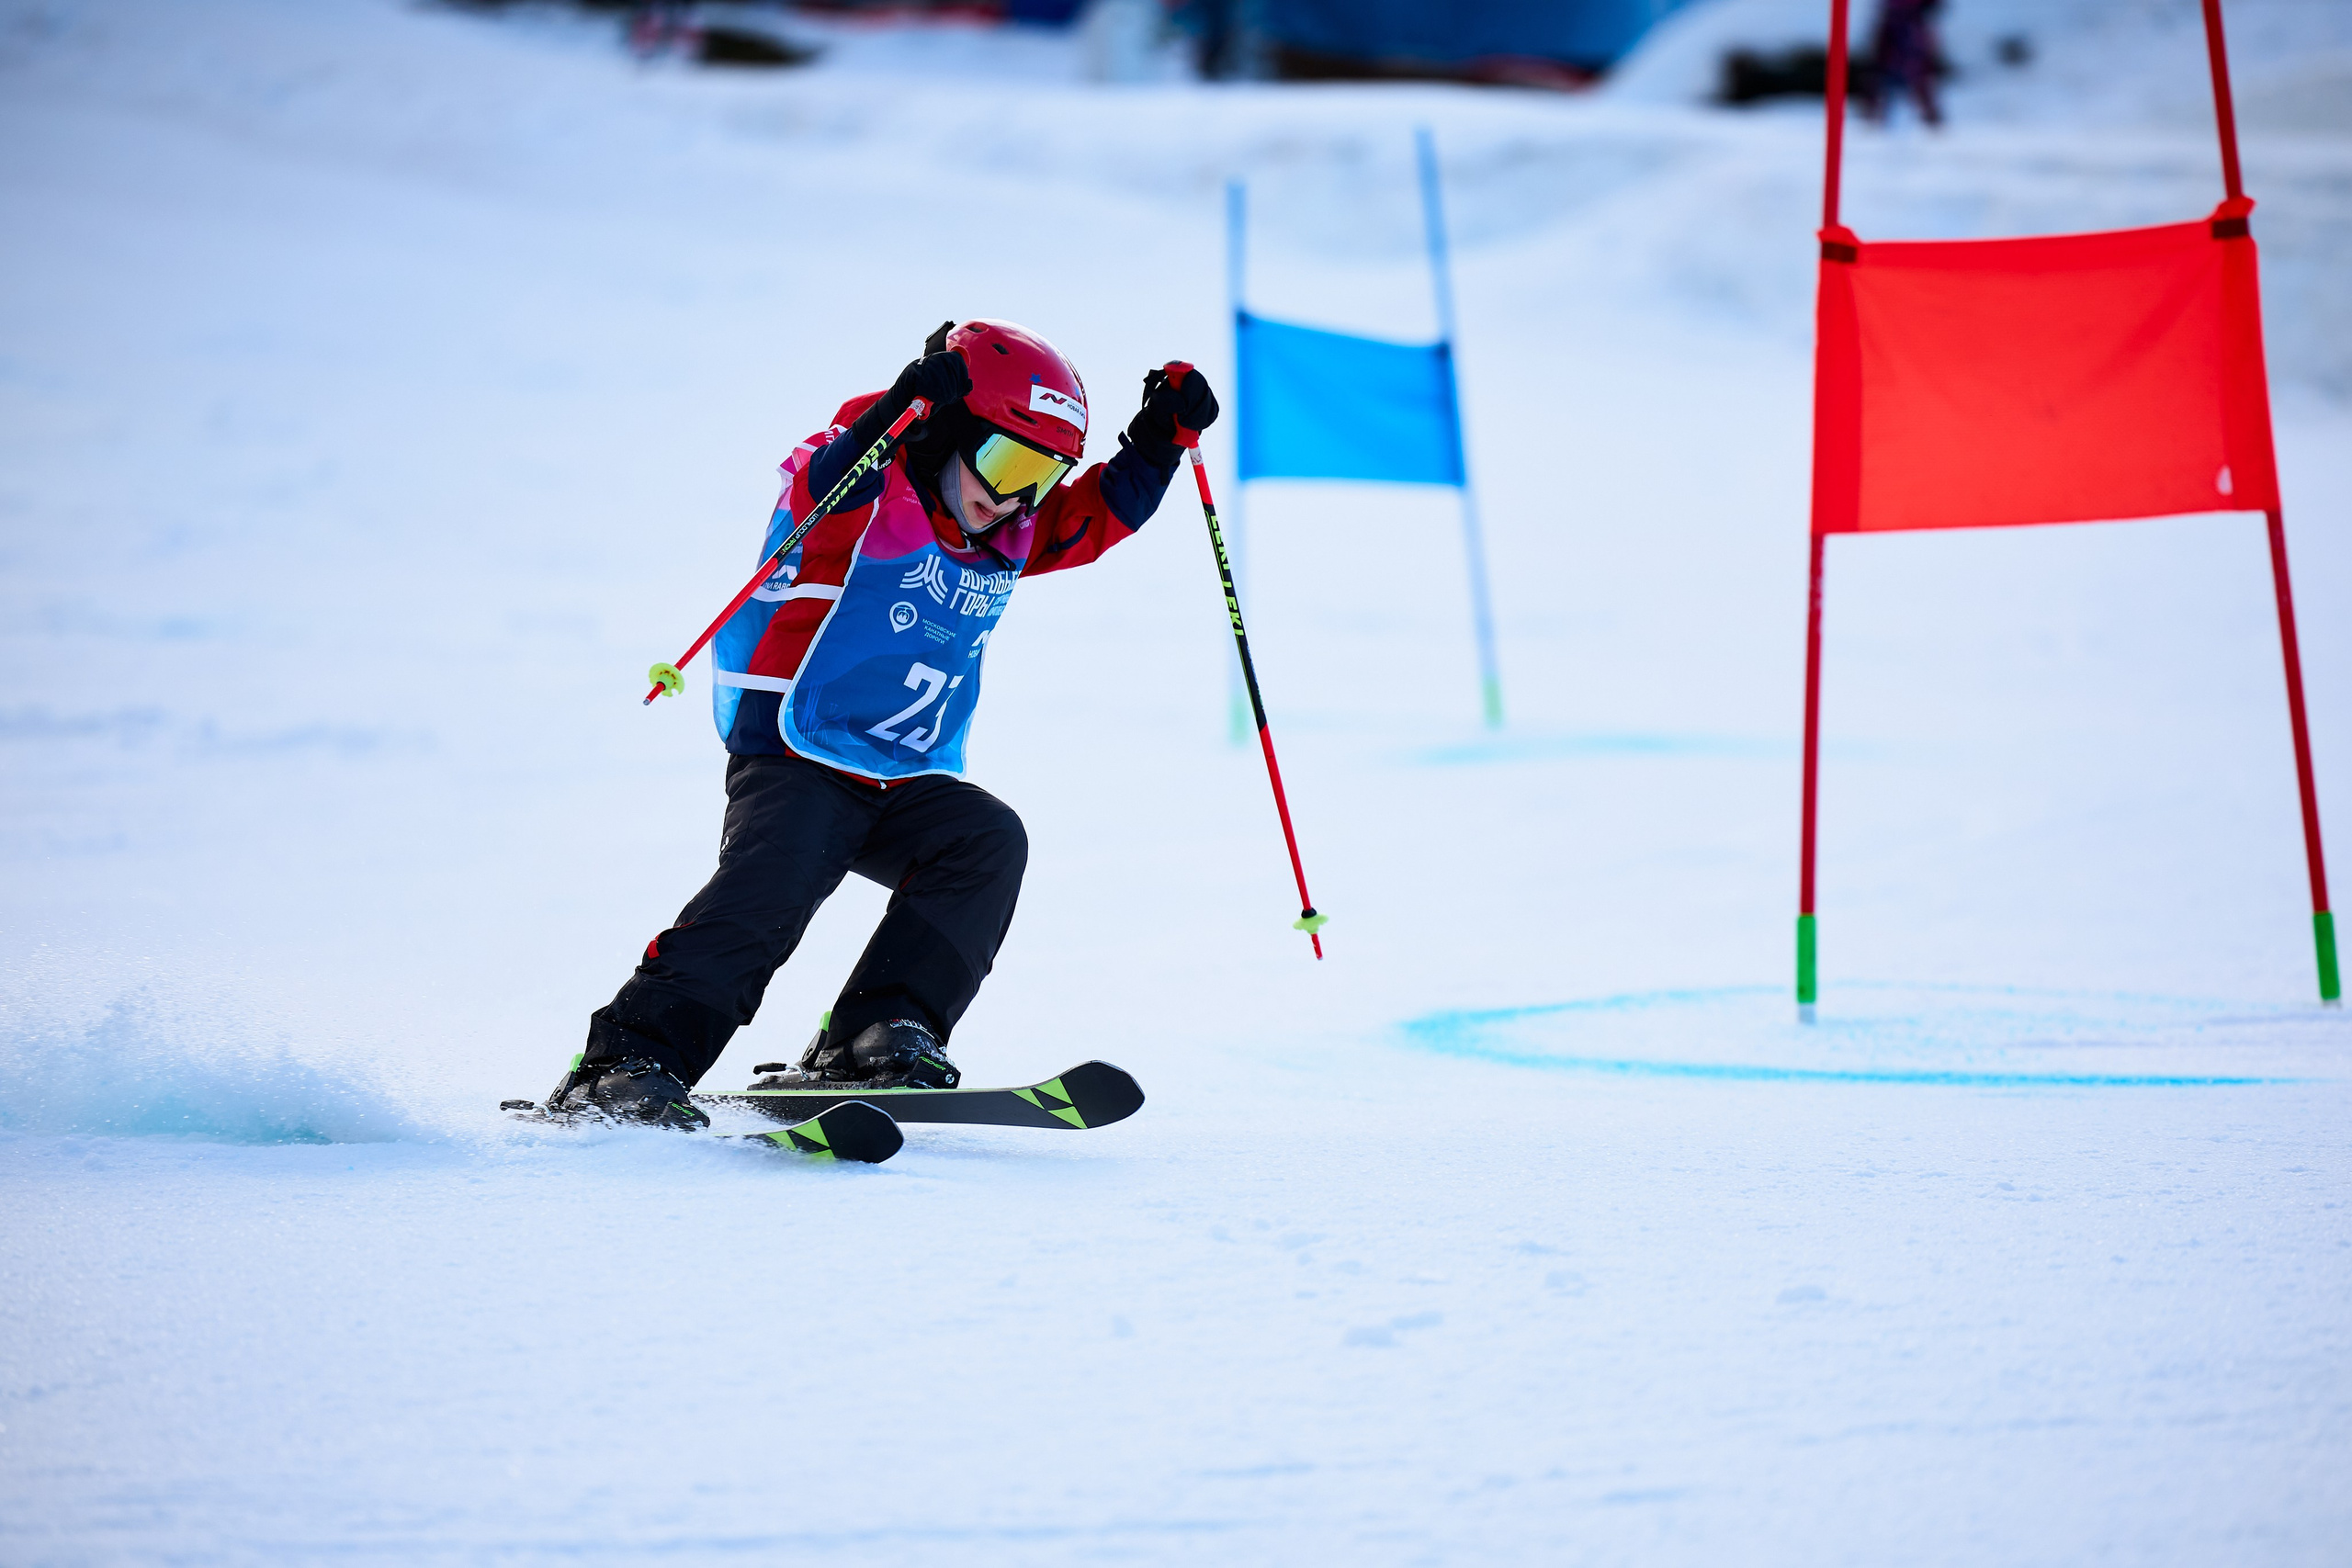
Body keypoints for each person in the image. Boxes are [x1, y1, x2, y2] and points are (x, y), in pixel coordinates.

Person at [545, 320, 1218, 1127]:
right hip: (798, 749)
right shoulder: (866, 495)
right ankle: (627, 1063)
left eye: (1041, 474)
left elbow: (1093, 518)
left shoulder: (1008, 527)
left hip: (898, 771)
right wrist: (903, 407)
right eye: (1005, 461)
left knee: (984, 841)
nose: (1012, 495)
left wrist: (1157, 443)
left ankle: (877, 1032)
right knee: (770, 892)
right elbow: (831, 476)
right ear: (948, 434)